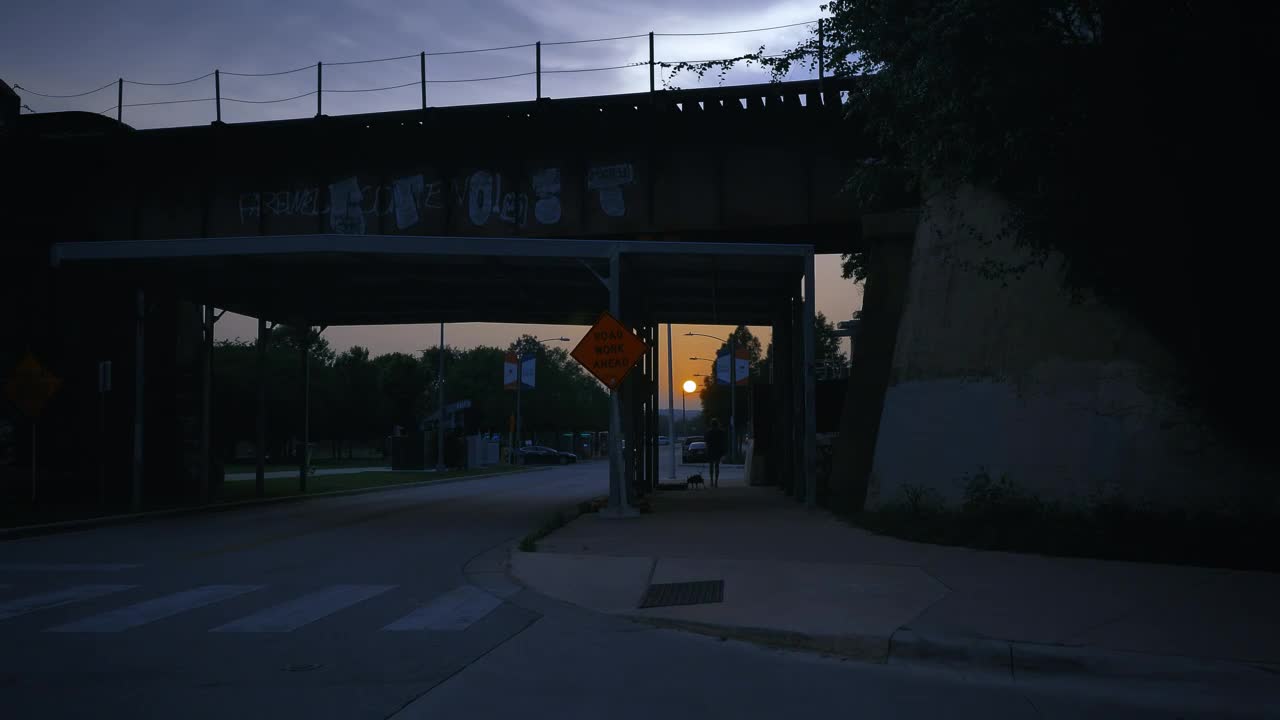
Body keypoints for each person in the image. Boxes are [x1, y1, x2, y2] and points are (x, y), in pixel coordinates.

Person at [703, 418, 727, 488]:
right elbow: (723, 442)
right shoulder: (721, 432)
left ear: (711, 424)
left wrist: (706, 450)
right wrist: (723, 451)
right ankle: (716, 482)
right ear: (717, 424)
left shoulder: (708, 432)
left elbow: (706, 442)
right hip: (718, 451)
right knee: (717, 466)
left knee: (711, 466)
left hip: (711, 450)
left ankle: (711, 481)